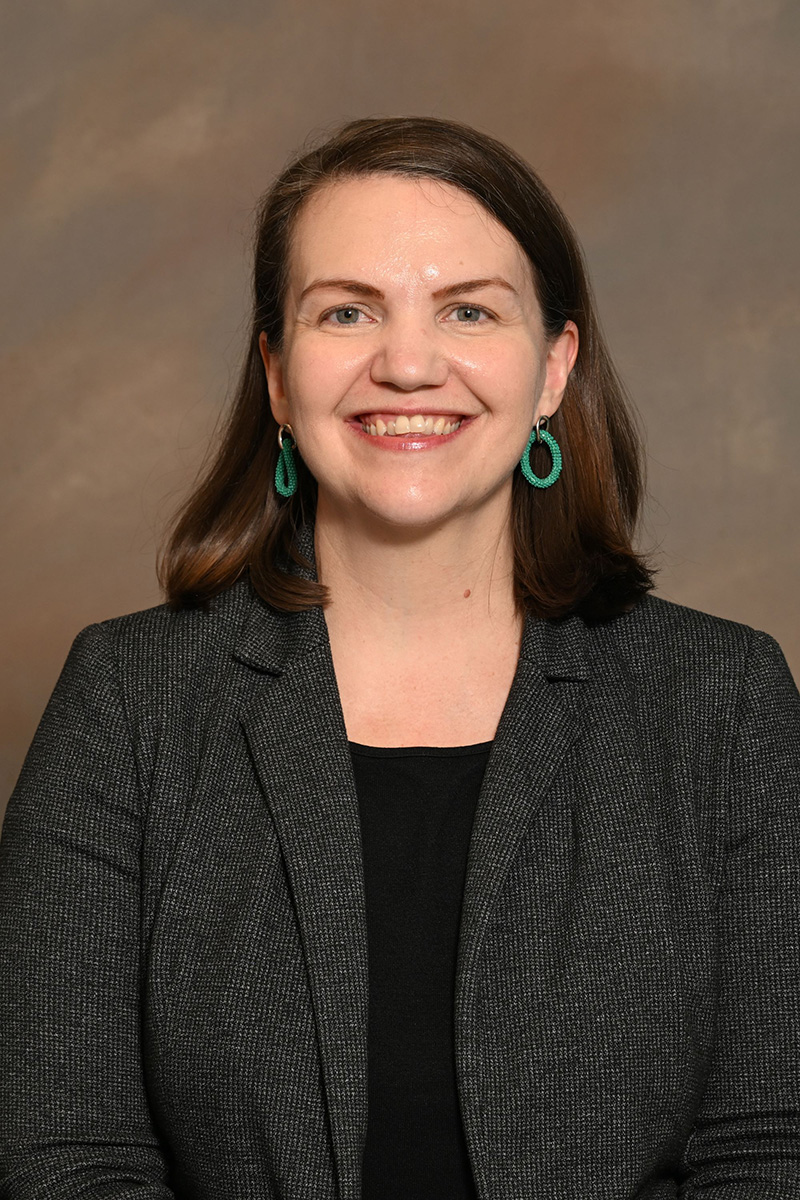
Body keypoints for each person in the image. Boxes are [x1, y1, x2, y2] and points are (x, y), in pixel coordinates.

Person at [1, 116, 798, 1200]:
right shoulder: (128, 702)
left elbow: (770, 1147)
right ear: (278, 375)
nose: (409, 365)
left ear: (554, 367)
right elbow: (65, 1155)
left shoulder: (724, 702)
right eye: (347, 311)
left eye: (469, 310)